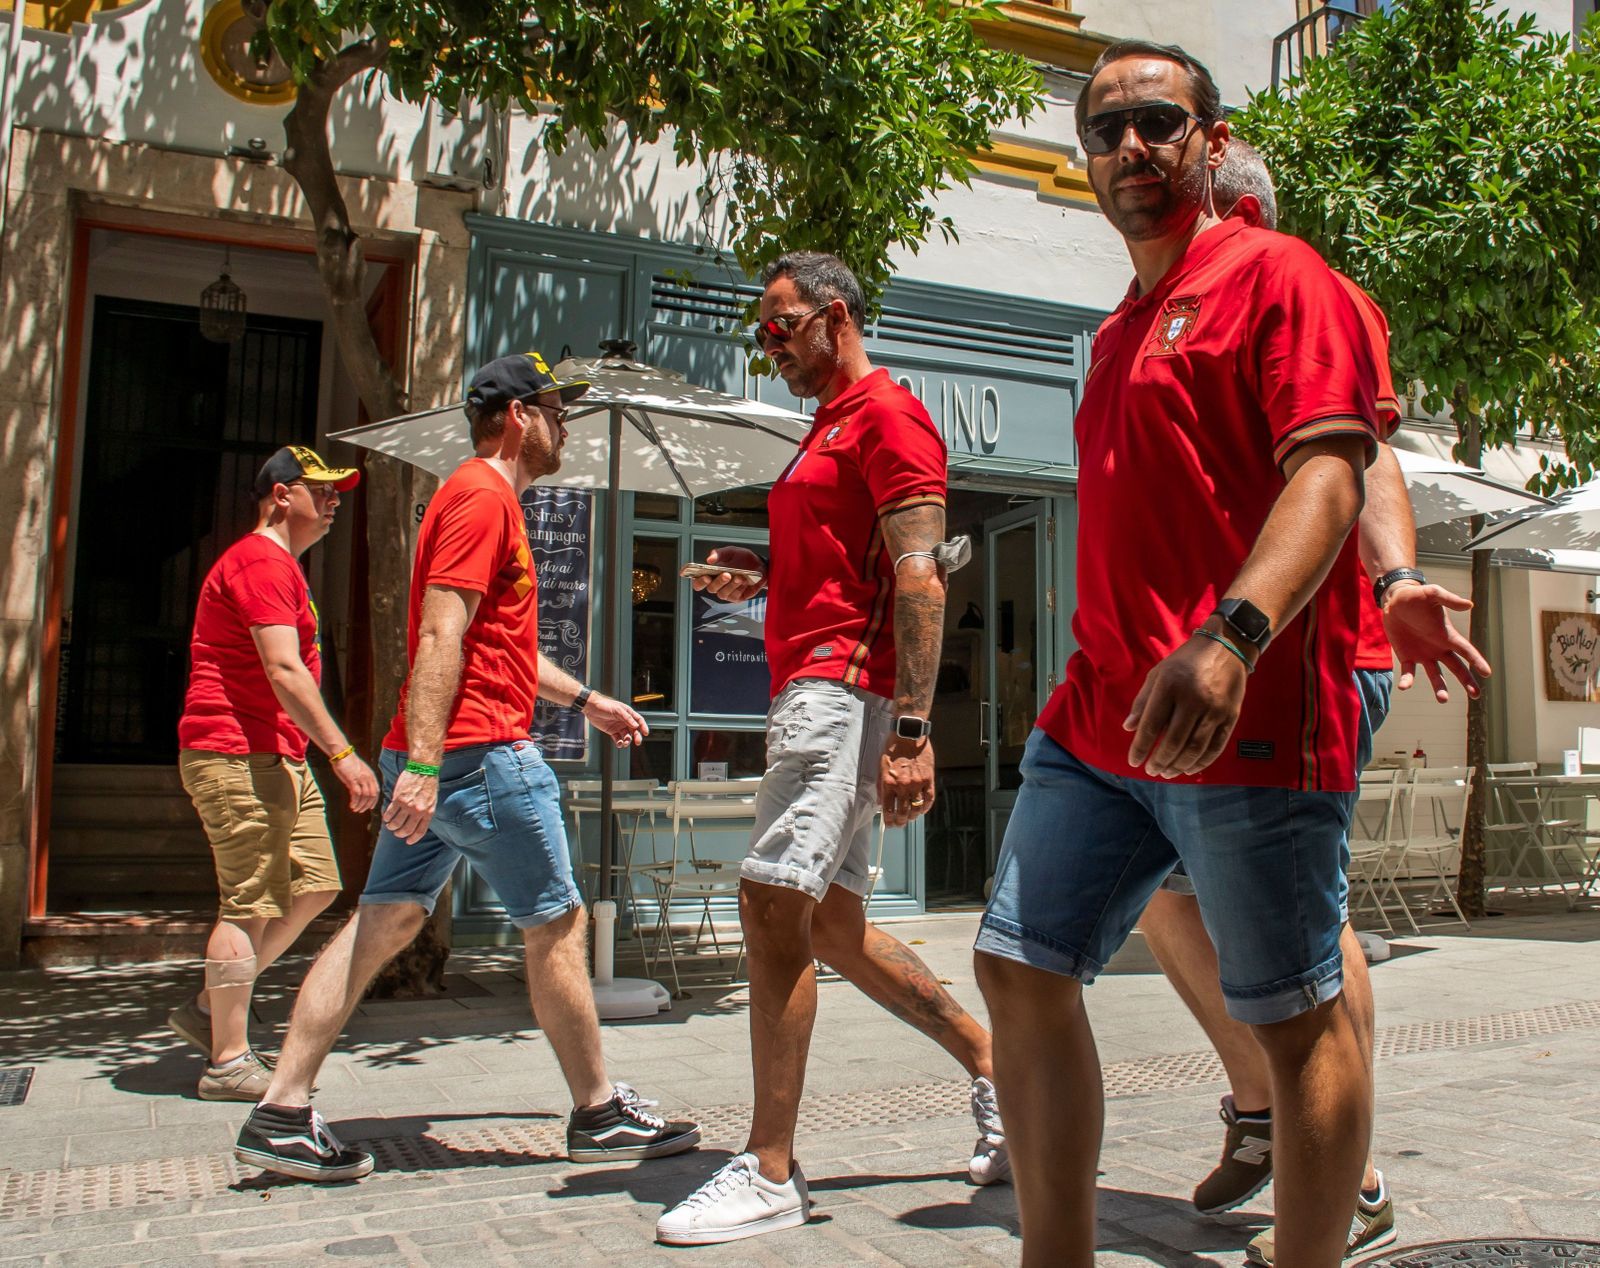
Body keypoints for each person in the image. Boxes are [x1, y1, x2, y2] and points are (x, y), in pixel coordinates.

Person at [974, 41, 1388, 1266]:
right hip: (1095, 719)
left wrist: (1233, 636)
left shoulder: (1279, 277)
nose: (1129, 147)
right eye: (1104, 130)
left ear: (1210, 142)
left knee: (1292, 1014)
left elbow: (1330, 471)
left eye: (1158, 121)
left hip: (1241, 706)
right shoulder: (1114, 331)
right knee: (1018, 968)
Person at [1136, 141, 1493, 1264]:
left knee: (1303, 925)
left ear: (1234, 206)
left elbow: (1365, 450)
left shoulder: (1305, 285)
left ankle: (1351, 1180)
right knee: (1163, 900)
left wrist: (1391, 583)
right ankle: (1264, 1112)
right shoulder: (1156, 309)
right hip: (1201, 669)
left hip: (1313, 659)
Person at [233, 352, 700, 1182]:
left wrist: (585, 698)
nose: (568, 426)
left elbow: (500, 648)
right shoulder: (483, 497)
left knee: (384, 920)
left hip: (450, 750)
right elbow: (443, 634)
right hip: (478, 755)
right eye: (558, 410)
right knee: (556, 925)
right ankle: (597, 1112)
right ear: (517, 415)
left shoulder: (486, 501)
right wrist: (422, 762)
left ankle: (281, 1110)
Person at [655, 252, 1008, 1247]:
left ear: (833, 318)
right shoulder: (827, 425)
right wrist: (759, 575)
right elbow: (839, 558)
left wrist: (911, 730)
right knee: (834, 927)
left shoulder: (890, 417)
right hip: (816, 680)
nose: (769, 348)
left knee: (772, 901)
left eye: (780, 328)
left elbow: (920, 576)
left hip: (844, 693)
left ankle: (768, 1168)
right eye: (761, 333)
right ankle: (996, 1069)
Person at [172, 446, 378, 1101]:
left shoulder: (282, 566)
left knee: (316, 884)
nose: (334, 502)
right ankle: (227, 1060)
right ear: (280, 495)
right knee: (249, 902)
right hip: (237, 753)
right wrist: (344, 755)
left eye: (338, 493)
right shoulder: (262, 561)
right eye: (322, 491)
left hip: (278, 754)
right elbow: (283, 670)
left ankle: (212, 1004)